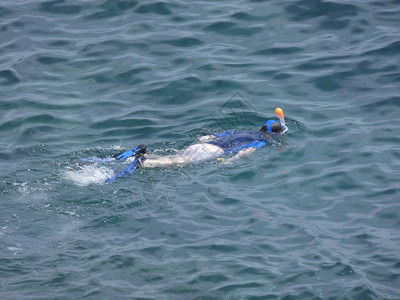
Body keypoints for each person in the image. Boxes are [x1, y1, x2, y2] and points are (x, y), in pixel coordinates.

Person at [135, 108, 288, 168]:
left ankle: (145, 154)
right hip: (212, 152)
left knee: (177, 156)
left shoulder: (244, 131)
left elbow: (208, 136)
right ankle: (145, 164)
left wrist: (203, 140)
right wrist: (230, 161)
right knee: (179, 162)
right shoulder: (263, 141)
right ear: (274, 135)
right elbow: (246, 152)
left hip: (206, 144)